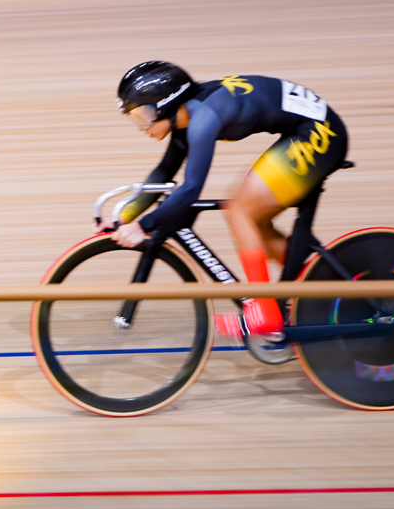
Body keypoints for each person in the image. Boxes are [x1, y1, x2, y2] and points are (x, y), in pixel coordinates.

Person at [109, 62, 347, 340]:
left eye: (143, 115)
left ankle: (265, 314)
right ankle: (314, 285)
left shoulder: (203, 116)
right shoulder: (186, 115)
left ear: (167, 105)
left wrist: (143, 225)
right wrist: (122, 218)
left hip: (319, 131)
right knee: (255, 224)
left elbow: (191, 189)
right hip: (306, 127)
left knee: (239, 212)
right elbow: (163, 174)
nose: (142, 127)